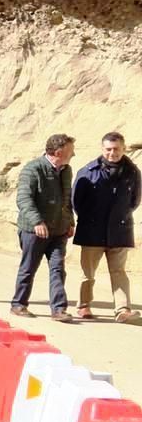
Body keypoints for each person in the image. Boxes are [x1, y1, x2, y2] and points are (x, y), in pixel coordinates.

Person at [73, 131, 141, 322]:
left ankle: (122, 310)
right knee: (88, 273)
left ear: (124, 148)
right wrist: (92, 220)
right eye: (108, 149)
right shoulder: (88, 171)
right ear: (102, 149)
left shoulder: (133, 172)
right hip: (92, 231)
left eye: (116, 149)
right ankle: (84, 306)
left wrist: (119, 217)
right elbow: (77, 202)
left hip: (120, 230)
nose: (112, 153)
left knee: (119, 272)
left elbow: (135, 200)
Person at [12, 133, 77, 321]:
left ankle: (58, 309)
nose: (73, 155)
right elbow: (24, 199)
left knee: (57, 268)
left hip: (59, 230)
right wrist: (37, 222)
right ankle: (19, 304)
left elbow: (67, 198)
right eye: (70, 151)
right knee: (28, 268)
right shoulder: (32, 169)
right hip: (34, 230)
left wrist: (70, 220)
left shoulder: (66, 170)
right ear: (58, 152)